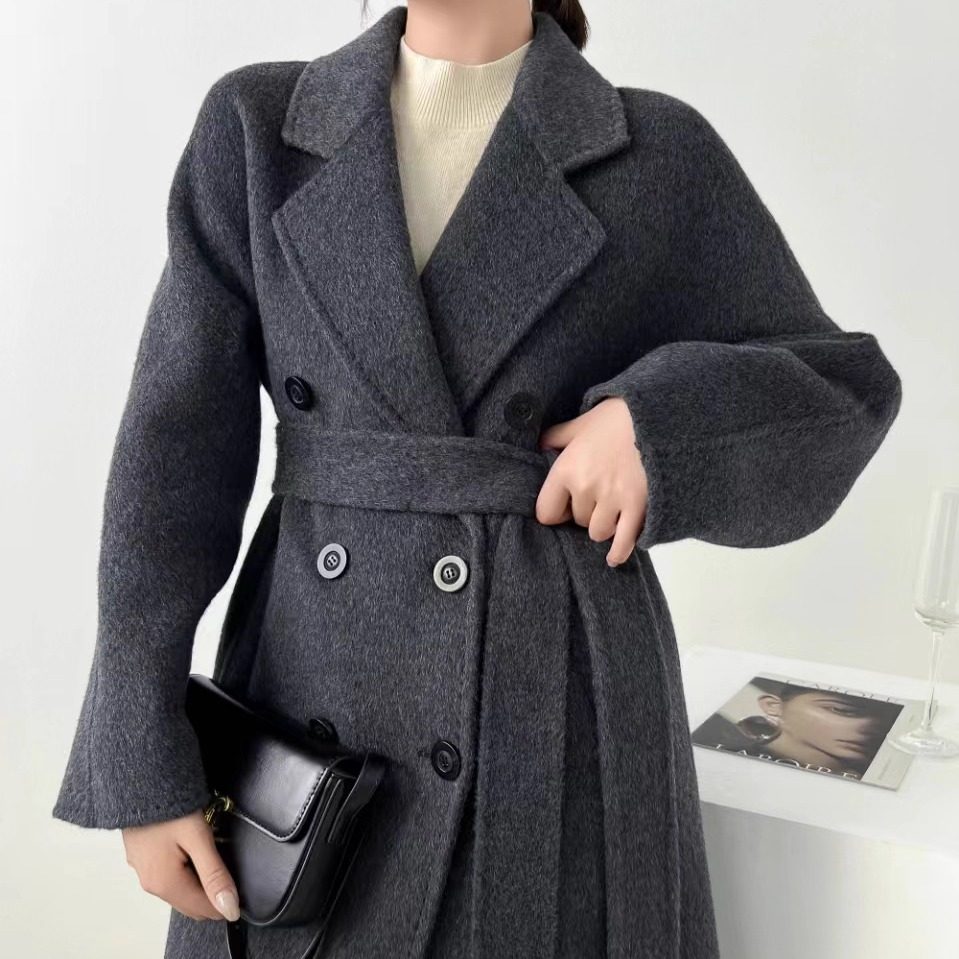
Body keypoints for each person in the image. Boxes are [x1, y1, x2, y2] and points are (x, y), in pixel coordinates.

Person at [51, 2, 903, 958]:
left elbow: (844, 389)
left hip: (549, 707)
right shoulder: (258, 128)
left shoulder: (655, 151)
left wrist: (657, 428)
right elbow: (170, 461)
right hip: (307, 701)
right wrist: (143, 761)